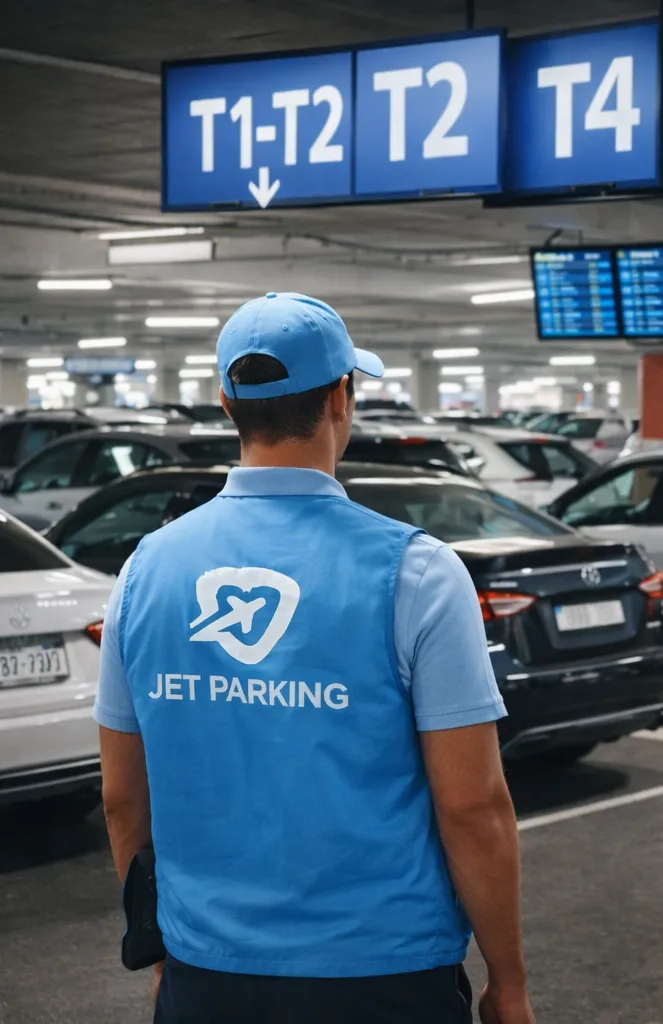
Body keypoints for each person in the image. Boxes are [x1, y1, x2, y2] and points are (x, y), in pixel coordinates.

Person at [95, 292, 535, 1024]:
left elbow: (120, 798)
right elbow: (473, 807)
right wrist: (509, 982)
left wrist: (162, 943)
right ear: (341, 397)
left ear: (227, 406)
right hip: (384, 971)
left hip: (207, 970)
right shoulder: (415, 573)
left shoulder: (146, 569)